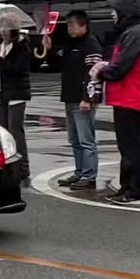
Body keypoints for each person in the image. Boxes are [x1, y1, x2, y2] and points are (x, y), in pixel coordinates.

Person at [93, 0, 140, 206]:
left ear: (124, 13)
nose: (112, 15)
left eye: (115, 11)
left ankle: (135, 191)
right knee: (126, 147)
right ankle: (127, 187)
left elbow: (121, 67)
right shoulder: (130, 33)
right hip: (126, 97)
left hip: (131, 96)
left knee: (130, 147)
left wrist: (102, 72)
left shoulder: (134, 34)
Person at [57, 10, 104, 191]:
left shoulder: (91, 45)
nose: (69, 28)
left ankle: (89, 175)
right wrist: (46, 47)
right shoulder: (70, 43)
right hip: (69, 96)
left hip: (83, 99)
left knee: (86, 139)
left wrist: (87, 98)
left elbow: (93, 75)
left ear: (83, 25)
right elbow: (56, 59)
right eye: (68, 24)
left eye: (72, 24)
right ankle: (79, 171)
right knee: (74, 139)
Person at [0, 21, 33, 185]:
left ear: (14, 30)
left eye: (6, 29)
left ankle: (23, 167)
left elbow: (17, 68)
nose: (3, 32)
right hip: (2, 93)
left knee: (16, 130)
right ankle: (7, 165)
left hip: (17, 93)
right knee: (4, 131)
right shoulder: (0, 45)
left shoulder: (22, 46)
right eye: (1, 28)